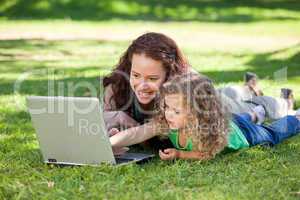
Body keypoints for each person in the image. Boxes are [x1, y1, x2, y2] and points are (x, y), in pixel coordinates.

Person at [110, 73, 300, 161]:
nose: (168, 113)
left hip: (244, 135)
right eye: (166, 107)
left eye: (176, 111)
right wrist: (109, 143)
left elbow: (205, 154)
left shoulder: (202, 131)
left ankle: (295, 118)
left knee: (273, 132)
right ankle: (255, 113)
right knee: (240, 118)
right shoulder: (168, 122)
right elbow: (138, 132)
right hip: (231, 122)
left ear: (196, 114)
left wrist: (179, 154)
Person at [102, 32, 189, 149]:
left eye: (152, 78)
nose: (142, 85)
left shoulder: (182, 93)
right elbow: (99, 121)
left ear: (169, 75)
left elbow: (152, 130)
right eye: (136, 75)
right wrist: (117, 118)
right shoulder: (118, 84)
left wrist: (115, 139)